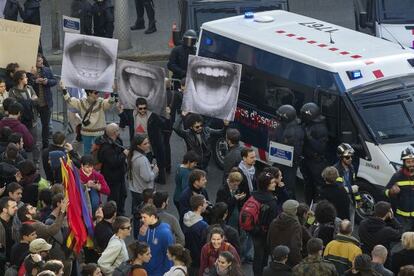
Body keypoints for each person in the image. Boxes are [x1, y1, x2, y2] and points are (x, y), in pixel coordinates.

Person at [61, 81, 115, 155]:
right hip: (91, 133)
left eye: (98, 92)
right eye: (95, 93)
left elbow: (109, 103)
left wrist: (112, 93)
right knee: (88, 153)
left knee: (97, 153)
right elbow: (69, 100)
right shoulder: (83, 102)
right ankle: (87, 166)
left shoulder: (100, 102)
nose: (98, 94)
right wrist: (64, 88)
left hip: (92, 133)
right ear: (89, 93)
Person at [268, 104, 304, 198]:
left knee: (288, 186)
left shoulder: (293, 132)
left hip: (288, 163)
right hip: (282, 161)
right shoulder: (286, 126)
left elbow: (296, 151)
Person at [131, 97, 169, 184]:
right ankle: (141, 178)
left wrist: (167, 115)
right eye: (140, 108)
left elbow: (164, 124)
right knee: (137, 160)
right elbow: (125, 121)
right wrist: (121, 111)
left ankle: (152, 179)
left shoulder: (152, 115)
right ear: (136, 108)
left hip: (151, 143)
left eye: (144, 108)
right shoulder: (133, 114)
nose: (143, 110)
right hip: (137, 143)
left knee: (149, 161)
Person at [300, 102, 329, 204]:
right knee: (308, 184)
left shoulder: (321, 129)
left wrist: (310, 138)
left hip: (317, 162)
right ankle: (309, 204)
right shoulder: (306, 125)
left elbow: (321, 148)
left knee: (318, 187)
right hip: (306, 160)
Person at [95, 123, 127, 214]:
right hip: (112, 176)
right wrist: (124, 154)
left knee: (123, 195)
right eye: (117, 130)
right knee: (114, 198)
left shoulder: (117, 140)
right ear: (114, 132)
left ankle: (120, 213)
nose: (119, 131)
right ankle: (112, 214)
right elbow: (113, 162)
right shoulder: (106, 147)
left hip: (119, 175)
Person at [8, 70, 39, 162]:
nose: (27, 78)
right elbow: (15, 106)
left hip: (32, 120)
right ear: (20, 80)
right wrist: (30, 101)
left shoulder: (29, 88)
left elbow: (37, 100)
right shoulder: (12, 91)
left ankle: (36, 161)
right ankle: (22, 162)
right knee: (20, 143)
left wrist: (25, 102)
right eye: (25, 77)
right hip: (20, 122)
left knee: (35, 142)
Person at [28, 54, 57, 149]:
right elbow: (26, 84)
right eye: (38, 61)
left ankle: (45, 144)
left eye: (41, 61)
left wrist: (47, 81)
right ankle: (32, 144)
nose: (41, 63)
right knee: (32, 125)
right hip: (34, 104)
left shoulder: (47, 70)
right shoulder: (29, 72)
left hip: (45, 103)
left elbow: (54, 81)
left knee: (46, 125)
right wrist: (35, 80)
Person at [138, 204, 174, 276]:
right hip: (145, 270)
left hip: (159, 273)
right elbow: (140, 248)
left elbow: (169, 256)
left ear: (153, 217)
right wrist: (142, 236)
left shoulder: (165, 233)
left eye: (144, 217)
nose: (142, 219)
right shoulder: (144, 228)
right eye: (141, 217)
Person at [128, 134, 159, 214]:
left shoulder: (131, 155)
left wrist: (148, 167)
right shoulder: (142, 160)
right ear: (138, 146)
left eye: (148, 142)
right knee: (145, 214)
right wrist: (154, 171)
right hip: (143, 191)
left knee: (136, 213)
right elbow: (147, 178)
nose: (148, 145)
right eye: (145, 144)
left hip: (134, 189)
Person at [385, 147, 414, 232]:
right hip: (402, 218)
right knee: (403, 240)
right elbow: (384, 191)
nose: (411, 164)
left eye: (413, 161)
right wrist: (391, 192)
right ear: (404, 162)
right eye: (408, 162)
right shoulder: (397, 176)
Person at [268, 199, 302, 267]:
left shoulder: (274, 222)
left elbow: (269, 240)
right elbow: (295, 246)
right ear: (295, 210)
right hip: (289, 260)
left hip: (276, 256)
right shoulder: (295, 225)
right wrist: (298, 262)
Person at [334, 143, 361, 225]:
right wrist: (351, 189)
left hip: (350, 201)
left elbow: (353, 183)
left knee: (350, 224)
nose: (350, 159)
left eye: (351, 157)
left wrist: (358, 199)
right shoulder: (336, 170)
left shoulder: (351, 168)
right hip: (340, 202)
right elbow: (338, 189)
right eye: (347, 157)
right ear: (341, 158)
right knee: (341, 225)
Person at [182, 194, 209, 276]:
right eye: (205, 203)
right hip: (199, 258)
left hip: (188, 255)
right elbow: (205, 243)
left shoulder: (186, 217)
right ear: (200, 207)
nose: (206, 205)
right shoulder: (203, 225)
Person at [0, 197, 18, 273]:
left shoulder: (15, 221)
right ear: (4, 210)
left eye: (16, 206)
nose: (16, 208)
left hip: (13, 261)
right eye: (13, 207)